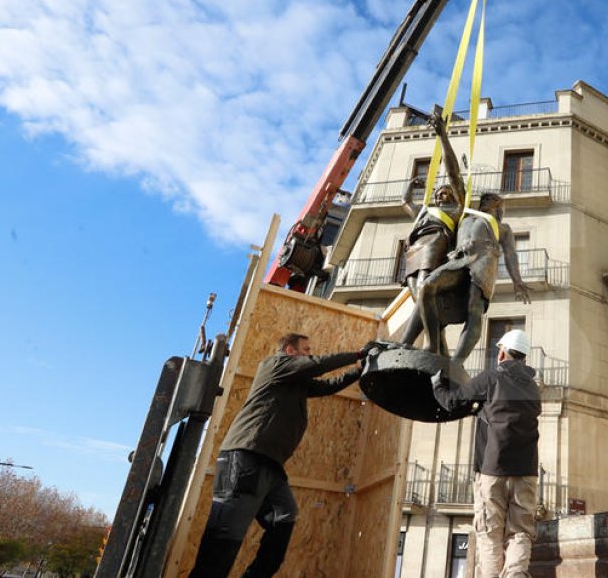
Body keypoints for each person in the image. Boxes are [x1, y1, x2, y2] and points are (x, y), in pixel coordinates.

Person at [188, 333, 368, 578]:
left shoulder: (295, 383)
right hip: (245, 458)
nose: (309, 353)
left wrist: (360, 369)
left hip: (270, 465)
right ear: (290, 351)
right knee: (224, 539)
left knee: (284, 515)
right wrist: (357, 353)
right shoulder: (274, 365)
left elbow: (328, 386)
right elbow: (317, 364)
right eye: (306, 349)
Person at [432, 329, 540, 577]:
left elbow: (452, 401)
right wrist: (481, 410)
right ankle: (516, 574)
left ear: (502, 353)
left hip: (493, 468)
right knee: (521, 531)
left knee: (489, 532)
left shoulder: (492, 378)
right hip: (526, 471)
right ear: (524, 357)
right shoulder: (533, 388)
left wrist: (437, 384)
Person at [417, 192, 532, 364]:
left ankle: (456, 363)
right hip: (458, 259)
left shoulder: (502, 228)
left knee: (474, 308)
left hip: (484, 263)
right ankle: (432, 345)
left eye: (492, 199)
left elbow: (510, 253)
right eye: (484, 198)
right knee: (427, 286)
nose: (486, 200)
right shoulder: (465, 216)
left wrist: (517, 281)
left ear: (499, 207)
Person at [396, 109, 466, 354]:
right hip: (414, 251)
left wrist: (443, 137)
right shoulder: (424, 212)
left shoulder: (457, 208)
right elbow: (405, 203)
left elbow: (453, 172)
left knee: (425, 293)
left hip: (435, 245)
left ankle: (407, 342)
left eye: (445, 192)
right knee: (421, 300)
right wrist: (410, 186)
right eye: (438, 193)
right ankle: (441, 351)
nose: (441, 194)